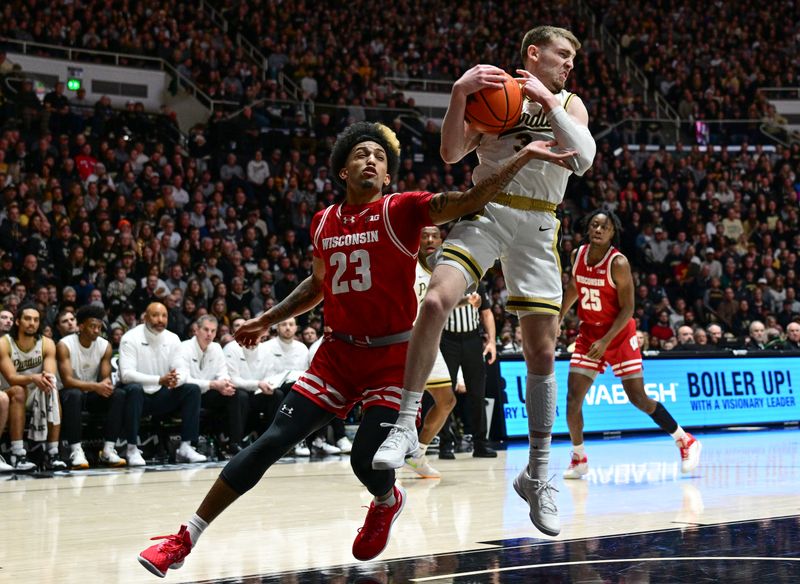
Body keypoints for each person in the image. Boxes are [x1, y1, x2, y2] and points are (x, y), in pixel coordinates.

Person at [137, 121, 571, 577]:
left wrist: (520, 159)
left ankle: (387, 498)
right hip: (337, 355)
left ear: (388, 177)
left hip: (392, 359)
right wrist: (267, 319)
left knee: (364, 458)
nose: (371, 160)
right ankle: (185, 537)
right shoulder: (323, 220)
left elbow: (466, 202)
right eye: (362, 154)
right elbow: (319, 284)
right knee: (271, 442)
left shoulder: (402, 209)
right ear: (343, 170)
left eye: (380, 158)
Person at [373, 25, 592, 539]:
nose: (568, 66)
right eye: (562, 56)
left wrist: (549, 102)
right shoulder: (493, 93)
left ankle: (539, 472)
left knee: (542, 352)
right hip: (488, 209)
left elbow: (583, 159)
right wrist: (457, 95)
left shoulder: (571, 102)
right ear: (533, 53)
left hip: (540, 222)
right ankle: (407, 425)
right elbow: (451, 154)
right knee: (435, 302)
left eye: (572, 61)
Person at [559, 210, 702, 481]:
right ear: (588, 228)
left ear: (613, 232)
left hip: (619, 335)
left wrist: (606, 341)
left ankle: (685, 440)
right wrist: (559, 317)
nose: (599, 229)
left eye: (605, 226)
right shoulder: (577, 254)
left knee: (638, 398)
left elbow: (628, 309)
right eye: (594, 224)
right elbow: (574, 288)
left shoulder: (619, 263)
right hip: (590, 334)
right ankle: (579, 458)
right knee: (572, 398)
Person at [119, 302, 206, 467]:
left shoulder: (173, 338)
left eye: (164, 316)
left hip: (162, 394)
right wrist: (159, 379)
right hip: (138, 397)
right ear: (145, 317)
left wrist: (175, 380)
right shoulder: (130, 338)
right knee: (134, 390)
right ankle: (131, 448)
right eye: (155, 315)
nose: (160, 320)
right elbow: (126, 375)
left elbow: (182, 370)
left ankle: (186, 447)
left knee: (191, 390)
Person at [404, 226, 458, 477]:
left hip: (430, 342)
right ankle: (376, 460)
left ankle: (418, 455)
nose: (429, 239)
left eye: (434, 236)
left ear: (440, 240)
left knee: (447, 400)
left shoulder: (444, 268)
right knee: (394, 406)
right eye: (424, 234)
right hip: (405, 341)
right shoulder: (407, 264)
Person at [57, 304, 127, 468]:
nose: (97, 330)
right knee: (74, 394)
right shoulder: (64, 345)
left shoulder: (105, 346)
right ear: (80, 327)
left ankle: (109, 450)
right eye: (92, 326)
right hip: (68, 395)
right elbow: (67, 381)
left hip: (91, 394)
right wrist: (96, 386)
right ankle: (76, 451)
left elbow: (105, 379)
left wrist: (107, 384)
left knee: (118, 395)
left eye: (99, 327)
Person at [0, 304, 66, 471]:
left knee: (52, 389)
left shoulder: (47, 343)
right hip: (8, 392)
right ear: (17, 322)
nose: (32, 323)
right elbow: (11, 378)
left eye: (36, 320)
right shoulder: (4, 343)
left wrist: (45, 379)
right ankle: (18, 454)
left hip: (34, 391)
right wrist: (32, 378)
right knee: (18, 390)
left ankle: (52, 453)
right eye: (27, 319)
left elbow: (50, 373)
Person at [173, 315, 247, 456]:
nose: (209, 334)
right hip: (186, 394)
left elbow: (223, 373)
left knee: (236, 394)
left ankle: (234, 443)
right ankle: (189, 445)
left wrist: (225, 384)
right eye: (206, 330)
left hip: (207, 392)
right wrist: (212, 384)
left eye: (213, 331)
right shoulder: (183, 347)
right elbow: (183, 379)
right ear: (196, 330)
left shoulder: (217, 348)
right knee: (193, 390)